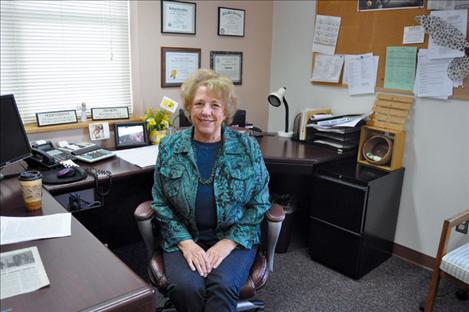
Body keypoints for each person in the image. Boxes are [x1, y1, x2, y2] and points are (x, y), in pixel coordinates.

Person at [151, 69, 270, 312]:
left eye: (215, 105)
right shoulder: (170, 147)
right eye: (199, 104)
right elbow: (160, 202)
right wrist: (186, 243)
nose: (206, 111)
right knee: (187, 287)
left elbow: (260, 203)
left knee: (223, 285)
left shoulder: (247, 148)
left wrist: (228, 243)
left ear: (225, 111)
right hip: (183, 237)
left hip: (234, 237)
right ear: (189, 108)